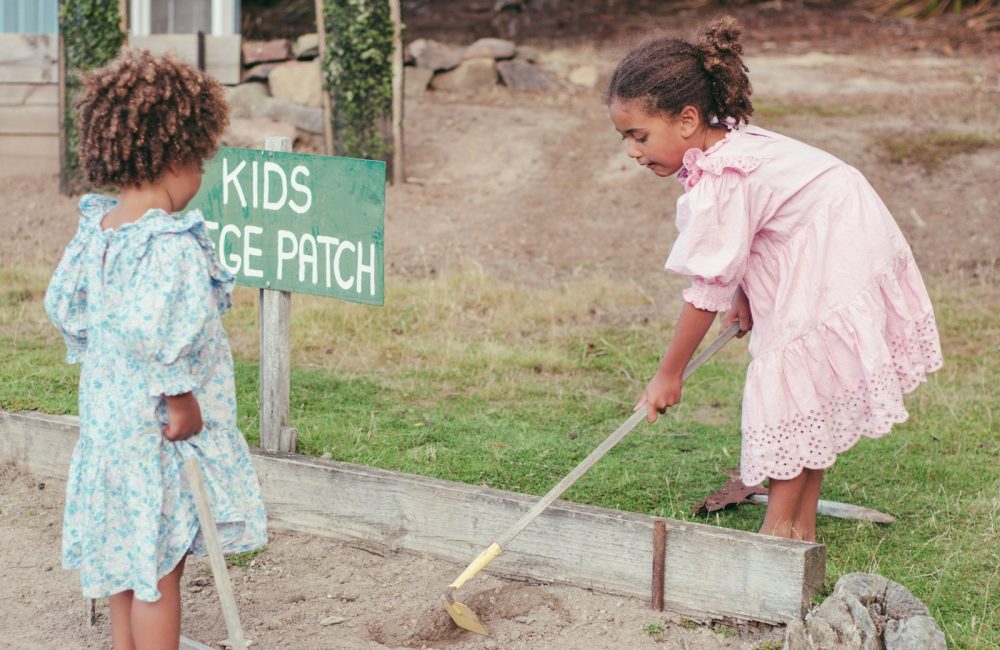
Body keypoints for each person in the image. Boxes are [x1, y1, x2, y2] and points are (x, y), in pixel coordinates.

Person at [607, 18, 942, 541]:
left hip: (835, 240)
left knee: (788, 376)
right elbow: (741, 246)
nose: (632, 150)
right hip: (839, 225)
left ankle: (779, 531)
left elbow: (706, 287)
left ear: (688, 119)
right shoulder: (725, 151)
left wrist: (668, 374)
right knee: (800, 383)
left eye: (639, 135)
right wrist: (745, 299)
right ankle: (800, 530)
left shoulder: (721, 176)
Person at [44, 49, 267, 649]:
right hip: (156, 431)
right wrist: (183, 400)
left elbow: (67, 307)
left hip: (111, 426)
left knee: (125, 555)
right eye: (200, 161)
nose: (201, 177)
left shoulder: (102, 229)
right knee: (160, 571)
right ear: (174, 158)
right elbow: (162, 332)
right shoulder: (170, 245)